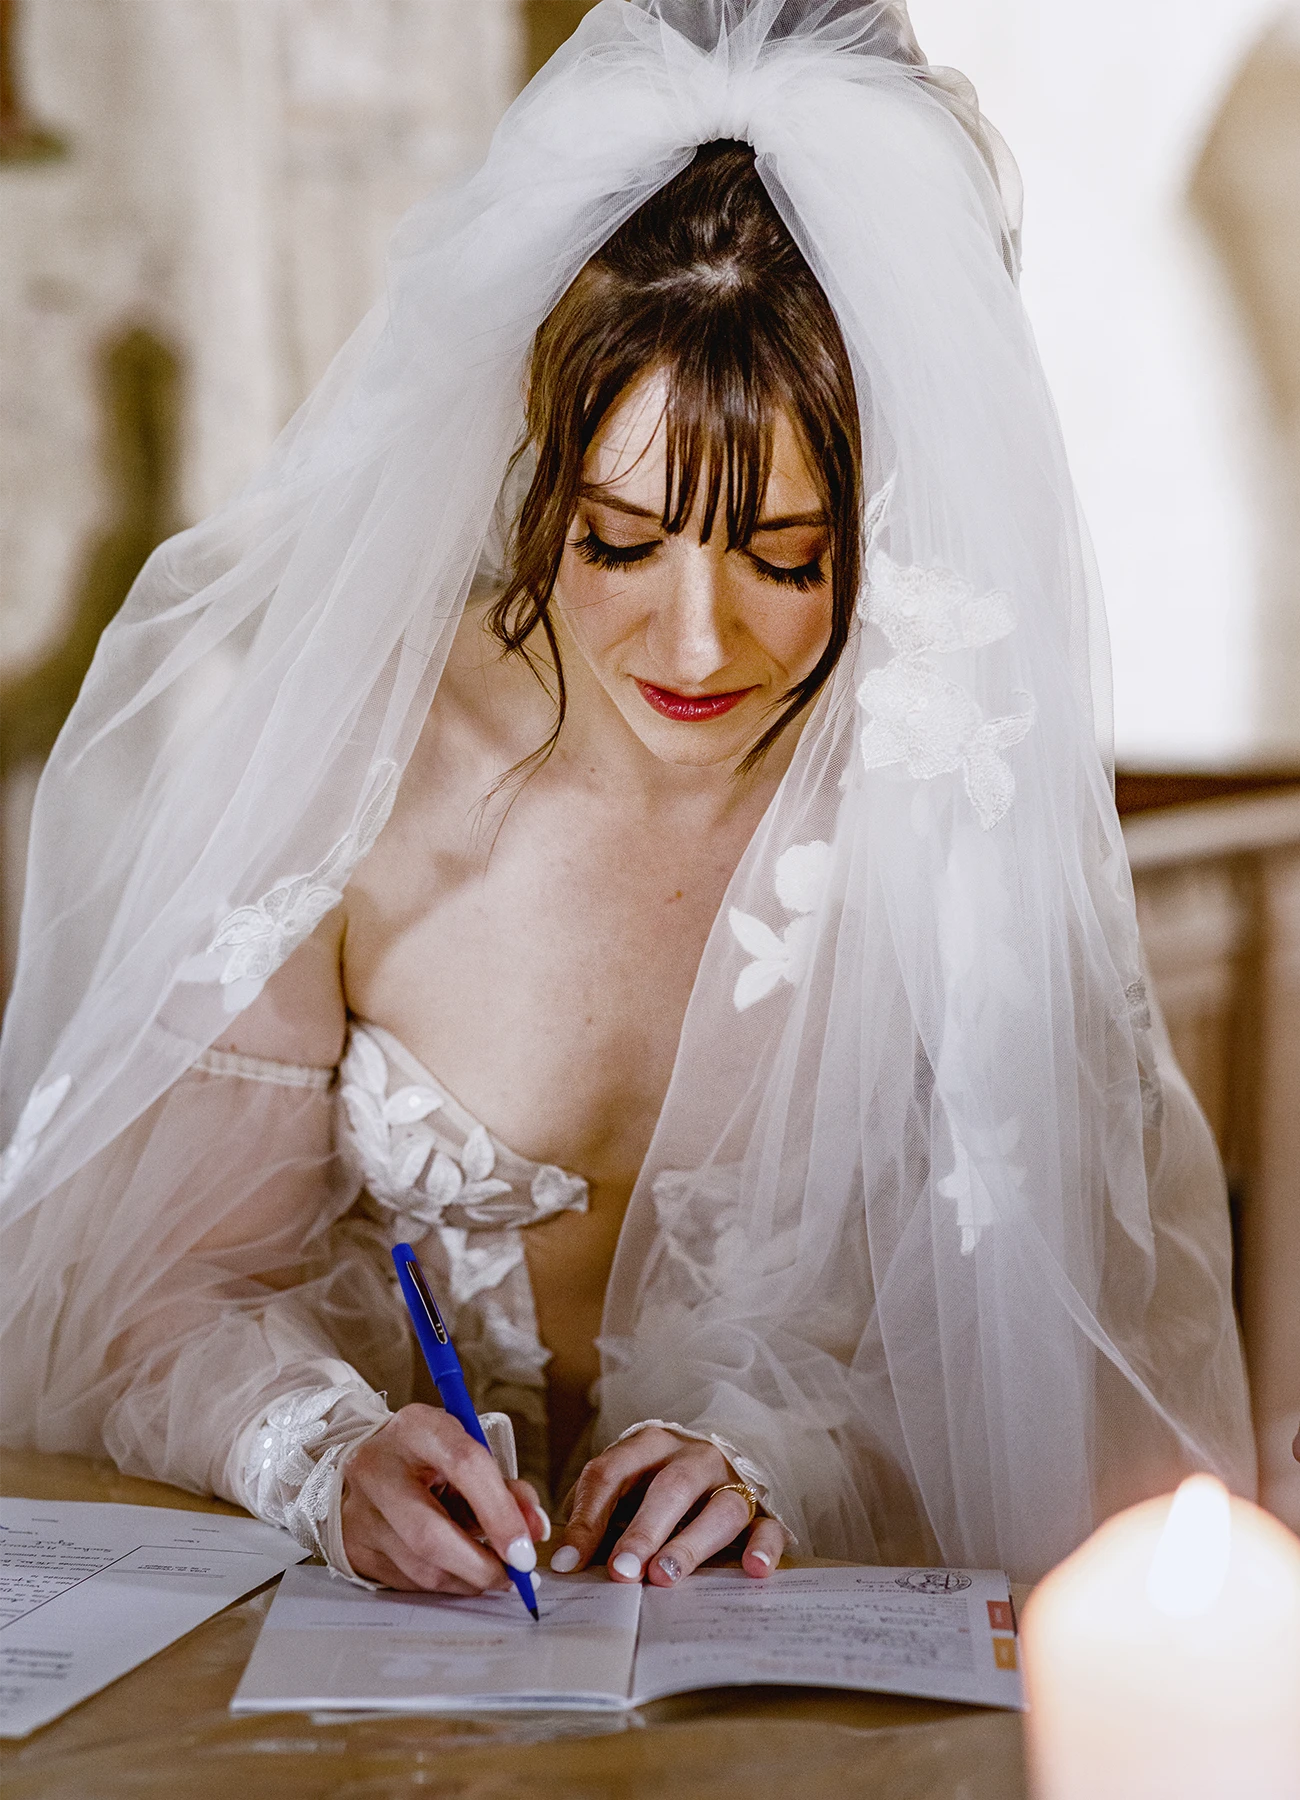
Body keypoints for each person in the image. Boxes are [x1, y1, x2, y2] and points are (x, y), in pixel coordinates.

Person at [0, 0, 1255, 1595]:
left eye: (789, 558)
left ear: (890, 517)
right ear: (537, 477)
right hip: (397, 1658)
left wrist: (781, 1458)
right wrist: (325, 1454)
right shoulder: (361, 764)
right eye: (615, 540)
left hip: (793, 1655)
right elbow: (156, 1290)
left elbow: (1063, 1351)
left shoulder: (946, 795)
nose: (694, 640)